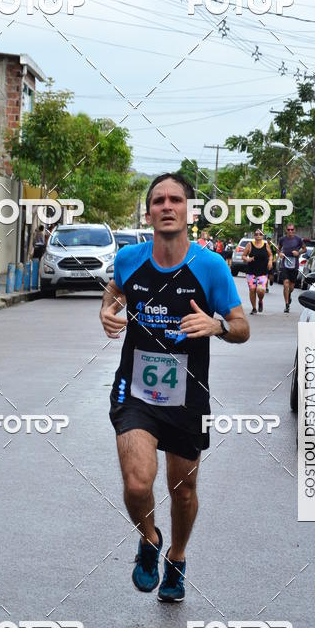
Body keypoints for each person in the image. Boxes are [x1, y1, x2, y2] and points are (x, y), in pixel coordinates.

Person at [99, 172, 249, 602]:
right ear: (148, 212)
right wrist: (107, 313)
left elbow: (242, 328)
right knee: (136, 482)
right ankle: (149, 540)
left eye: (176, 200)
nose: (167, 206)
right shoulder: (129, 259)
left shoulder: (211, 266)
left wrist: (216, 325)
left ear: (188, 210)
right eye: (159, 200)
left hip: (188, 395)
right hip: (137, 391)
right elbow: (113, 296)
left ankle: (177, 559)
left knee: (182, 490)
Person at [242, 228, 272, 314]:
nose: (258, 236)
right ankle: (254, 308)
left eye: (260, 234)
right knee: (252, 289)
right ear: (254, 236)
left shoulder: (266, 245)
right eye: (256, 234)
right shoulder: (249, 245)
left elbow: (270, 255)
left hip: (262, 271)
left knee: (260, 290)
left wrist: (270, 261)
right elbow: (243, 256)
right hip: (251, 271)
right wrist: (248, 259)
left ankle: (260, 301)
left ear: (263, 236)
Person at [278, 223, 306, 313]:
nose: (290, 231)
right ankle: (286, 305)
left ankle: (289, 295)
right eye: (288, 229)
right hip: (285, 265)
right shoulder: (282, 239)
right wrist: (280, 254)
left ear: (294, 230)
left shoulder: (298, 240)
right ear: (286, 230)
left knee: (292, 287)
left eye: (292, 229)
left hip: (294, 265)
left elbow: (304, 249)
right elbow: (278, 249)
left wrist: (299, 253)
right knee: (286, 283)